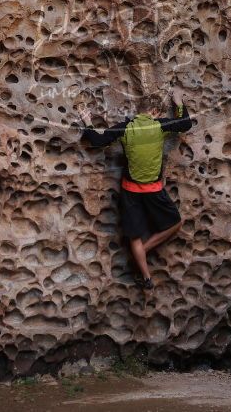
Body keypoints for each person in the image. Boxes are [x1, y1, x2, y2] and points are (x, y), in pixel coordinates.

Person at [78, 89, 193, 290]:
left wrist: (87, 121)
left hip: (130, 190)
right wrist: (178, 102)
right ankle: (143, 252)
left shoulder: (126, 127)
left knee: (135, 236)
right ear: (156, 111)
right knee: (175, 223)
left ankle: (146, 276)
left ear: (139, 111)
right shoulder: (160, 125)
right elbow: (185, 124)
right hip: (153, 190)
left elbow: (96, 141)